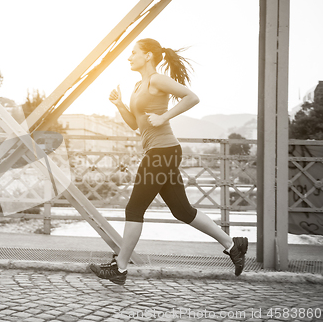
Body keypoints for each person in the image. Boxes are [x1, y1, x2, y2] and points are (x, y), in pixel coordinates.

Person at [89, 38, 248, 285]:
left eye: (134, 52)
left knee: (134, 209)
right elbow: (136, 124)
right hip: (161, 151)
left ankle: (120, 269)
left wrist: (164, 117)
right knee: (182, 211)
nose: (129, 57)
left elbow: (192, 97)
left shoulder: (156, 79)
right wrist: (119, 104)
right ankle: (232, 244)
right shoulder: (138, 85)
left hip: (162, 153)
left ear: (149, 56)